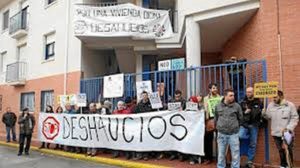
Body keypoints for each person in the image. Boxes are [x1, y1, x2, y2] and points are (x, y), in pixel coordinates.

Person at [263, 90, 299, 168]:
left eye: (275, 97)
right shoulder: (270, 105)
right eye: (273, 97)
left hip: (287, 133)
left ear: (281, 96)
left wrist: (288, 128)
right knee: (280, 150)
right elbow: (268, 117)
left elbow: (295, 118)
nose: (273, 99)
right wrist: (264, 113)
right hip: (276, 133)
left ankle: (290, 165)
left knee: (288, 150)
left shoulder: (290, 105)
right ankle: (283, 165)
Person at [215, 89, 243, 168]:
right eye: (230, 95)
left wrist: (235, 127)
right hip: (221, 134)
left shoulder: (237, 106)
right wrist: (219, 127)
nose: (233, 97)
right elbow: (216, 118)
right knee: (221, 155)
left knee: (235, 154)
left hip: (233, 134)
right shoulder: (218, 106)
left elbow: (240, 118)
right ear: (225, 96)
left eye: (233, 95)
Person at [239, 87, 262, 168]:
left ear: (253, 92)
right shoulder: (242, 102)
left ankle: (250, 161)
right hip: (244, 124)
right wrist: (245, 112)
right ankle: (239, 157)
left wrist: (250, 111)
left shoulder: (258, 102)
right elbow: (239, 113)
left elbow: (256, 113)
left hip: (254, 125)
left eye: (250, 92)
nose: (248, 93)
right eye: (247, 92)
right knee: (240, 136)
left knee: (253, 143)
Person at [203, 83, 222, 164]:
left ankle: (220, 158)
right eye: (213, 88)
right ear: (209, 89)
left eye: (216, 88)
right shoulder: (206, 98)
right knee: (207, 139)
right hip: (210, 120)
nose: (215, 89)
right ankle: (208, 158)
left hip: (219, 120)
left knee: (220, 140)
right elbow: (205, 109)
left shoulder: (221, 98)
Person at [133, 91, 154, 160]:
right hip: (141, 125)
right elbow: (134, 113)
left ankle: (146, 155)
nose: (144, 97)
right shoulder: (139, 104)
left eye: (145, 95)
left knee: (147, 140)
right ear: (141, 96)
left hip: (149, 125)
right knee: (140, 140)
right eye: (143, 95)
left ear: (147, 96)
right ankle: (140, 154)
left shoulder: (152, 103)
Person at [169, 90, 186, 161]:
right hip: (173, 122)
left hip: (181, 123)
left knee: (180, 138)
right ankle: (173, 154)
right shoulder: (172, 101)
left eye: (178, 96)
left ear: (181, 95)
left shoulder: (184, 102)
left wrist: (183, 110)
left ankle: (181, 154)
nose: (177, 98)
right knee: (173, 139)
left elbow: (187, 110)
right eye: (176, 97)